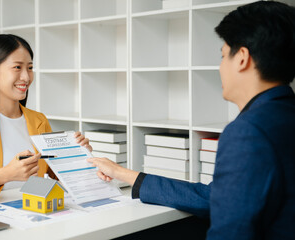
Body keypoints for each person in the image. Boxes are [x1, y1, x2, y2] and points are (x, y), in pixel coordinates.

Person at [88, 1, 295, 239]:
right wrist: (122, 173)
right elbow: (215, 197)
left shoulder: (248, 132)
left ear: (242, 58)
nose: (220, 67)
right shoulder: (284, 116)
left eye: (223, 56)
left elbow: (230, 233)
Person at [0, 34, 92, 201]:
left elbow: (59, 177)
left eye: (29, 68)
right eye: (17, 67)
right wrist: (3, 175)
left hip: (35, 213)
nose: (26, 77)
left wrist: (80, 156)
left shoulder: (39, 121)